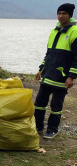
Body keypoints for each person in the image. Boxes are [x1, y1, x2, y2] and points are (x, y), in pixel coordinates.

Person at [34, 3, 76, 139]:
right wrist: (41, 69)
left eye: (64, 13)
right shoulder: (54, 31)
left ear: (70, 15)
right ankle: (37, 126)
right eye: (59, 13)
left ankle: (52, 129)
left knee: (56, 105)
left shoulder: (74, 31)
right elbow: (49, 54)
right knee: (39, 103)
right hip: (48, 74)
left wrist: (72, 76)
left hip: (62, 77)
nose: (61, 16)